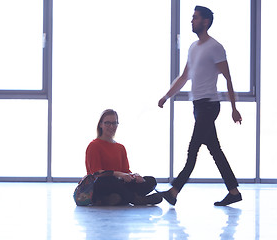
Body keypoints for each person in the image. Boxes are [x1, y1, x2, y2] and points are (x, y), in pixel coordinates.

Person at [158, 6, 242, 206]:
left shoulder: (215, 47)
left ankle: (173, 191)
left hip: (209, 106)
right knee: (215, 150)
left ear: (205, 22)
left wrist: (234, 108)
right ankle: (233, 191)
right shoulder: (193, 48)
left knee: (192, 150)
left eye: (195, 18)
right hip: (198, 106)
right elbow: (184, 77)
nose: (191, 21)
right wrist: (166, 96)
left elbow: (228, 78)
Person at [85, 109, 163, 206]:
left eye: (114, 123)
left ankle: (117, 199)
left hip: (119, 184)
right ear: (100, 124)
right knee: (108, 180)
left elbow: (125, 170)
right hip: (102, 184)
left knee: (150, 180)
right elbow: (96, 173)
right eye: (107, 123)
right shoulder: (94, 145)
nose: (111, 126)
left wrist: (134, 176)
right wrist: (120, 174)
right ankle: (136, 199)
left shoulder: (120, 147)